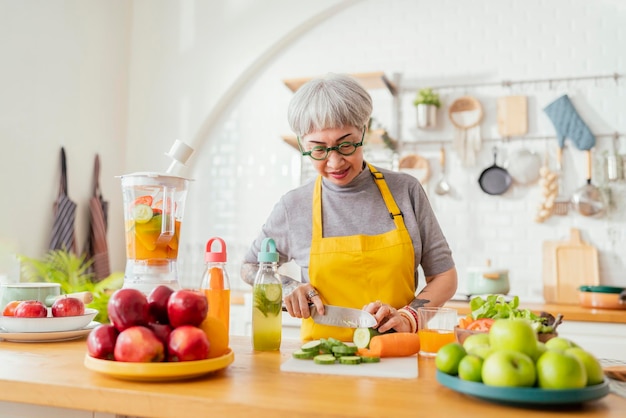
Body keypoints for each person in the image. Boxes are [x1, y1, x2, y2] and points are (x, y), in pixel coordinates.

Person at [241, 73, 457, 341]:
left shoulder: (406, 190)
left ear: (363, 131)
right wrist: (288, 287)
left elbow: (444, 275)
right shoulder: (293, 206)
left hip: (396, 353)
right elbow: (250, 266)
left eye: (346, 144)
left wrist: (409, 317)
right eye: (318, 150)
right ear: (302, 145)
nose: (334, 162)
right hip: (320, 361)